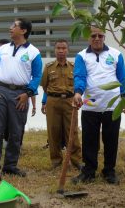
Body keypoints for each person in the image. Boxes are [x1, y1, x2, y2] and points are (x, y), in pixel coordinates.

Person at [71, 25, 125, 184]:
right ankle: (89, 171)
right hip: (90, 105)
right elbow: (80, 76)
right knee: (89, 139)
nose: (97, 38)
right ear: (88, 38)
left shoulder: (116, 54)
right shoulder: (81, 56)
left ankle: (109, 171)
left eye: (100, 35)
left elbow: (123, 78)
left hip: (112, 105)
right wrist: (78, 92)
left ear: (104, 37)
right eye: (93, 36)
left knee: (111, 139)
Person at [0, 18, 42, 181]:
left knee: (16, 133)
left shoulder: (33, 52)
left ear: (23, 31)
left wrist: (28, 93)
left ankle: (10, 166)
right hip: (0, 91)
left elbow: (37, 75)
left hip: (20, 95)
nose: (10, 28)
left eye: (14, 26)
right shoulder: (3, 49)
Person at [40, 39, 82, 170]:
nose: (61, 51)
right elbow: (45, 86)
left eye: (63, 48)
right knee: (53, 131)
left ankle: (76, 161)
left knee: (72, 131)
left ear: (67, 50)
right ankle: (56, 161)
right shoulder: (48, 67)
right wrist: (46, 101)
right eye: (58, 48)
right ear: (55, 50)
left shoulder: (74, 67)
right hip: (53, 101)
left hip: (70, 102)